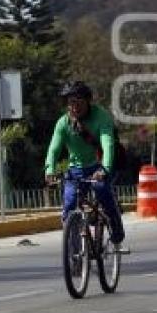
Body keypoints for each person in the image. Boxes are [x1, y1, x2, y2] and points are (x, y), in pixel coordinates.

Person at [44, 81, 126, 248]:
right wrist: (50, 169)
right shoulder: (63, 123)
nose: (74, 107)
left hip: (99, 166)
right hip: (76, 170)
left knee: (101, 189)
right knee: (69, 205)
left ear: (88, 101)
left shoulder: (101, 116)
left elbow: (108, 144)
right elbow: (54, 149)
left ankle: (115, 224)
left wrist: (105, 168)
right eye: (71, 103)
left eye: (79, 102)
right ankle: (74, 254)